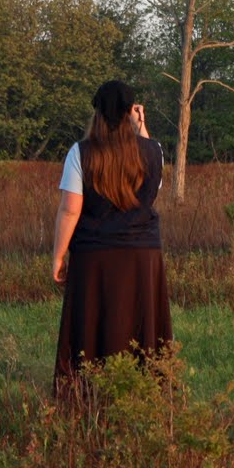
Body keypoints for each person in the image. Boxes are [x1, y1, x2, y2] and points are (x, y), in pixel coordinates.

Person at [52, 80, 172, 392]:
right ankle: (143, 392)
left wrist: (58, 256)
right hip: (142, 255)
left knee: (92, 324)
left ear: (97, 113)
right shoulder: (153, 151)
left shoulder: (80, 153)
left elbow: (69, 210)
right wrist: (141, 125)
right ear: (130, 113)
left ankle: (87, 392)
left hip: (95, 255)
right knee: (140, 325)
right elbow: (152, 188)